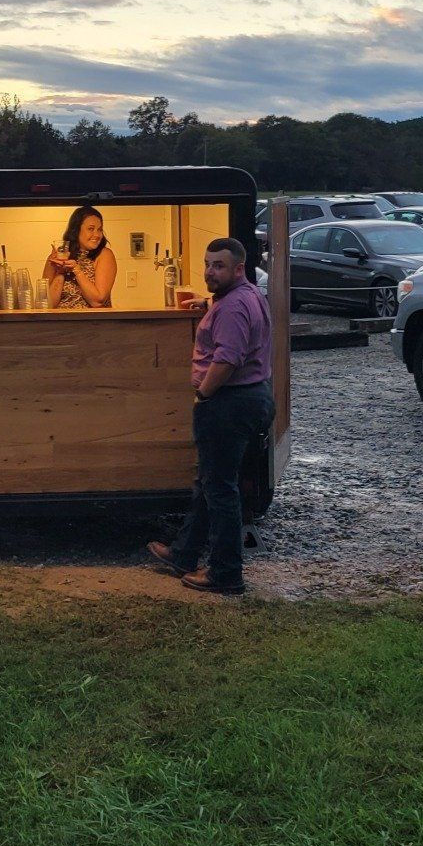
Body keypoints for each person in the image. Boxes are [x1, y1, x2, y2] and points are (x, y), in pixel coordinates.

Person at [148, 236, 274, 594]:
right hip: (250, 397)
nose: (209, 271)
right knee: (210, 482)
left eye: (218, 266)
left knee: (219, 490)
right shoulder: (245, 297)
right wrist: (207, 304)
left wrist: (204, 393)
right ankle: (184, 554)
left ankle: (226, 574)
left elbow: (227, 359)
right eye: (207, 264)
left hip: (228, 402)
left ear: (239, 268)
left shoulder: (233, 307)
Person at [44, 205, 117, 308]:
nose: (97, 235)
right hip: (60, 322)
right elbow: (48, 305)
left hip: (93, 323)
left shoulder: (104, 254)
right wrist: (60, 273)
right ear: (76, 230)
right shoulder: (58, 256)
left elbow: (98, 301)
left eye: (100, 230)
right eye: (91, 229)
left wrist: (76, 270)